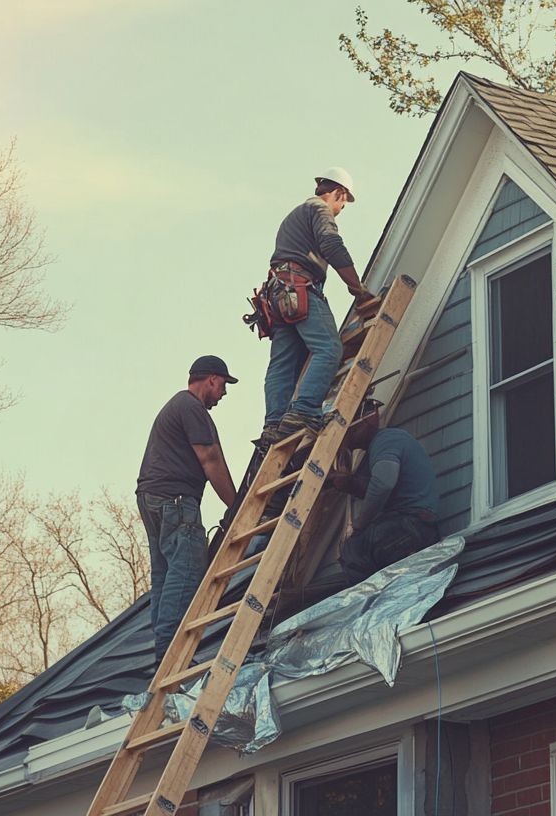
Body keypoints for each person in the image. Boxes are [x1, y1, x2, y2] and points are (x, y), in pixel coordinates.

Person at [136, 355, 239, 663]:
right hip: (176, 503)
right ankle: (172, 656)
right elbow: (210, 459)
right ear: (210, 379)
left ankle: (161, 654)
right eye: (223, 385)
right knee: (188, 575)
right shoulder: (192, 408)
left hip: (154, 501)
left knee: (165, 579)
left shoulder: (176, 405)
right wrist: (236, 506)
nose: (224, 393)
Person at [260, 167, 374, 444]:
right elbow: (332, 245)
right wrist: (356, 288)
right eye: (343, 202)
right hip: (299, 288)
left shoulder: (294, 215)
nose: (341, 208)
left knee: (283, 363)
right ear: (339, 192)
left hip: (279, 295)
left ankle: (274, 424)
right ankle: (304, 411)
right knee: (329, 347)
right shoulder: (320, 210)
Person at [329, 402, 440, 585]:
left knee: (355, 548)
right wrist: (349, 483)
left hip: (411, 524)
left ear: (369, 420)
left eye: (352, 428)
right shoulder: (376, 451)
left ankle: (366, 605)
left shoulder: (387, 439)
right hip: (417, 527)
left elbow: (383, 484)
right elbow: (375, 486)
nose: (348, 434)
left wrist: (359, 524)